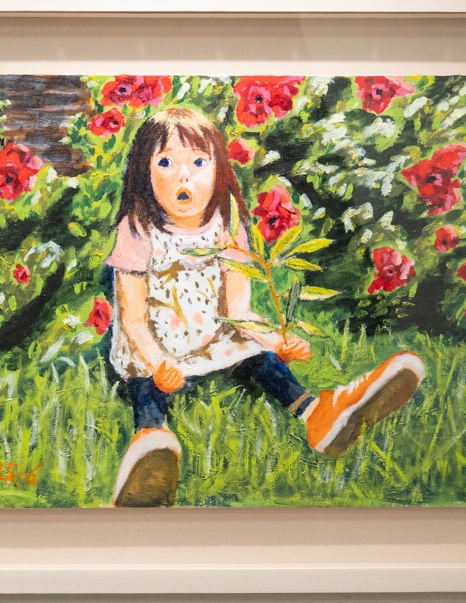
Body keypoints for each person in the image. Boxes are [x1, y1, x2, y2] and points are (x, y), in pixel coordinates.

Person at [105, 107, 424, 507]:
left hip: (213, 336)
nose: (183, 176)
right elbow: (133, 320)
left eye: (198, 162)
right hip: (156, 346)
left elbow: (238, 309)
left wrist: (275, 340)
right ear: (143, 172)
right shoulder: (136, 230)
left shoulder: (227, 225)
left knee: (261, 360)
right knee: (145, 388)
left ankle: (320, 418)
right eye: (166, 163)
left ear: (218, 170)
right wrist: (157, 363)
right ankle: (152, 450)